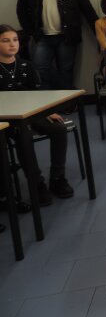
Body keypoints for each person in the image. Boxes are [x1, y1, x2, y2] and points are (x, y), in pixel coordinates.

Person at [0, 24, 73, 205]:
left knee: (58, 128)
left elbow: (38, 94)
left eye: (15, 40)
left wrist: (47, 111)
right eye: (5, 41)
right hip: (7, 121)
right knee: (23, 135)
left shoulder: (26, 65)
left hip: (31, 114)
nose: (12, 44)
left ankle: (57, 178)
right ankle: (36, 183)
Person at [16, 0, 98, 89]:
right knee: (40, 70)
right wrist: (29, 31)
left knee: (66, 70)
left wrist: (99, 32)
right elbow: (21, 10)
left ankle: (67, 100)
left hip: (67, 37)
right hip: (41, 37)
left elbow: (87, 9)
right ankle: (48, 100)